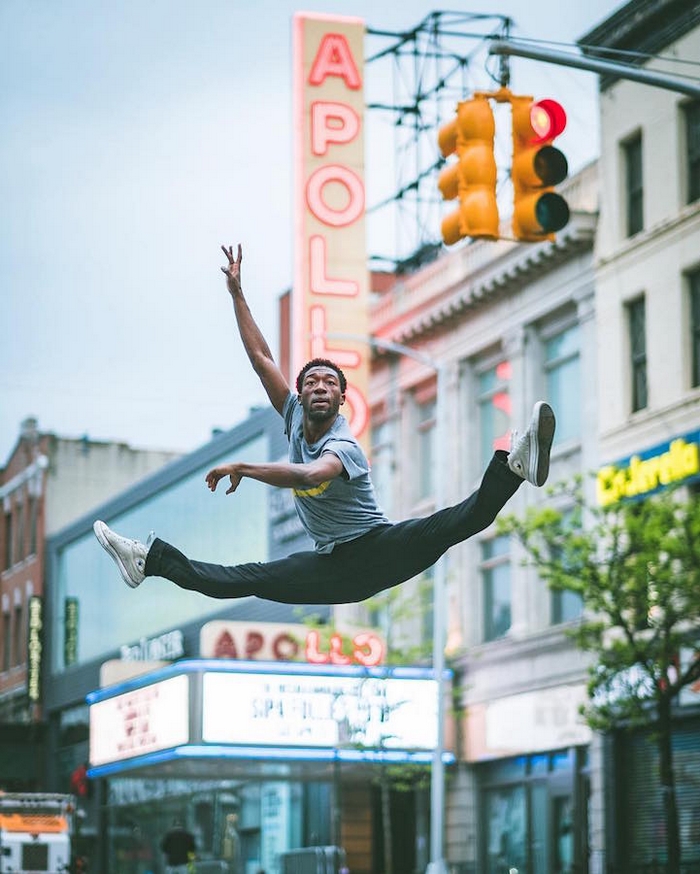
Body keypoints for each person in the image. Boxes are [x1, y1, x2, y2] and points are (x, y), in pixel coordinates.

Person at [93, 244, 556, 605]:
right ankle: (147, 560)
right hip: (332, 569)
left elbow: (313, 475)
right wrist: (237, 294)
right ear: (300, 394)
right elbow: (260, 359)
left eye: (329, 383)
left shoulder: (345, 444)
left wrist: (246, 468)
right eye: (310, 381)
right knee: (241, 580)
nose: (318, 387)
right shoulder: (294, 415)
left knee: (456, 522)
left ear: (340, 398)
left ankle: (514, 465)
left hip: (378, 550)